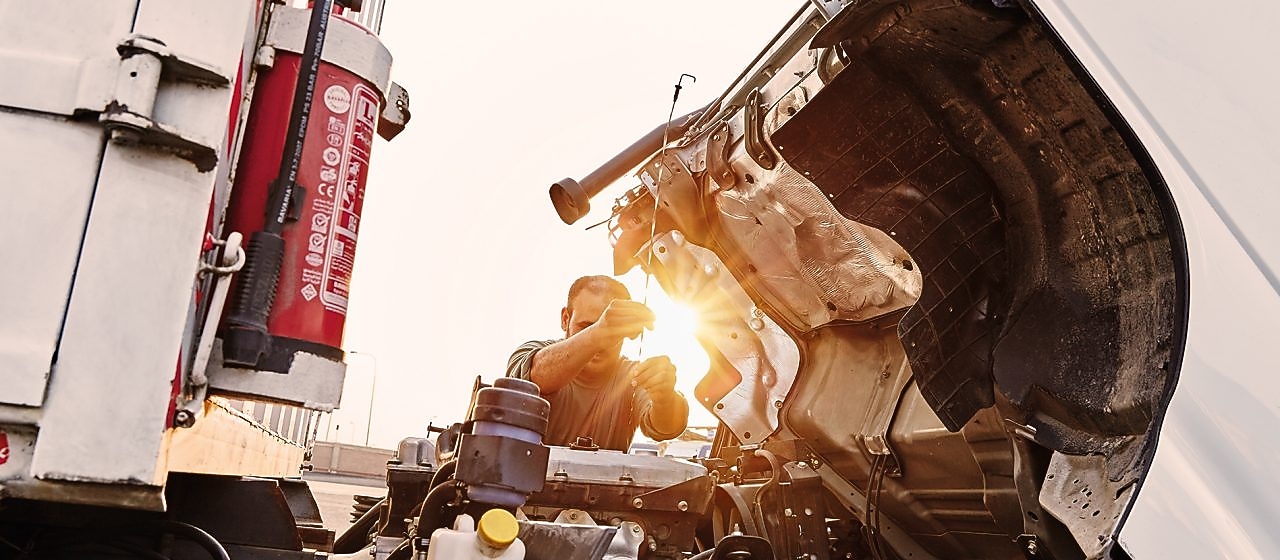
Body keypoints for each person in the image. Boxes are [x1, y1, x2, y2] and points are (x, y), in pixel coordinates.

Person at [506, 275, 689, 451]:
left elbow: (666, 427)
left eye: (614, 330)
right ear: (565, 319)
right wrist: (600, 332)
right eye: (586, 327)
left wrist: (665, 396)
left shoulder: (632, 376)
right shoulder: (531, 353)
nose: (602, 343)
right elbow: (532, 379)